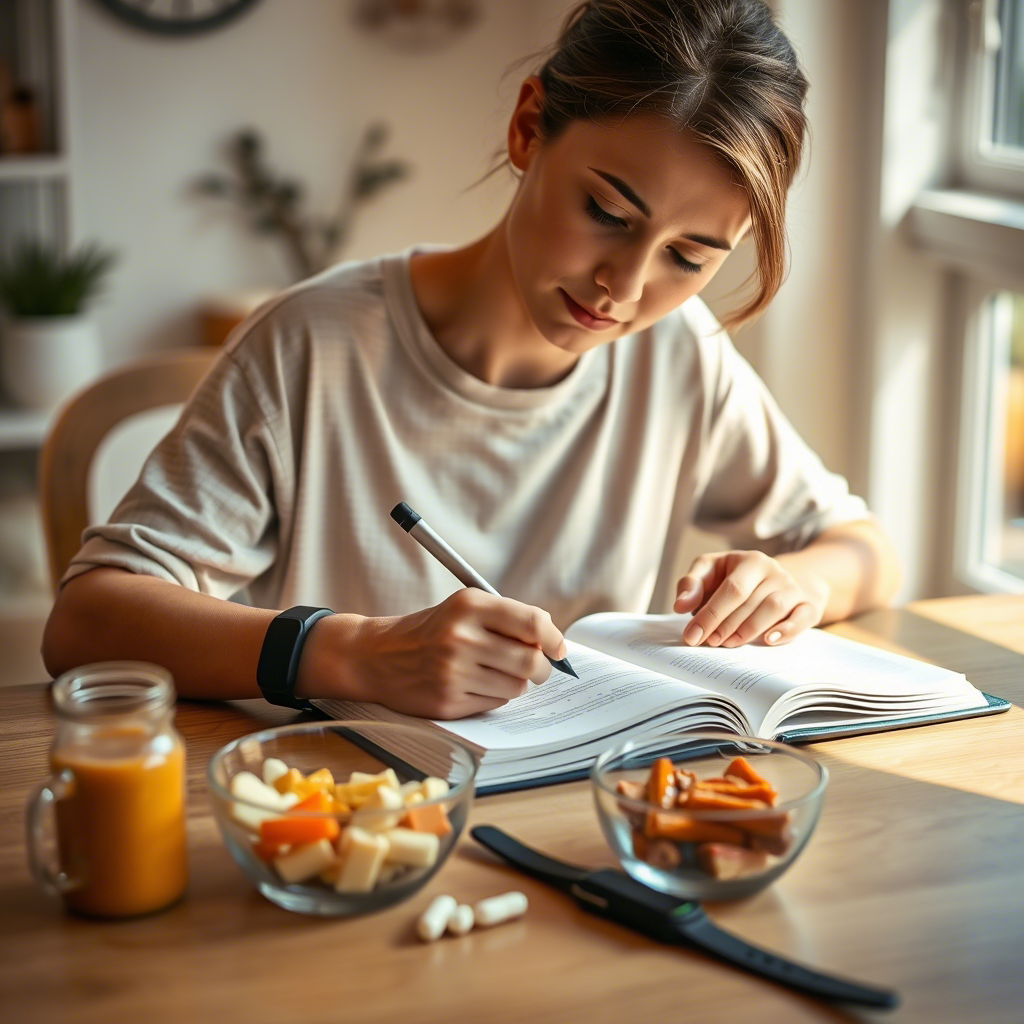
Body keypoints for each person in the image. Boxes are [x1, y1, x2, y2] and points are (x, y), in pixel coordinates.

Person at [43, 0, 899, 719]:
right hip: (355, 828)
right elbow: (87, 621)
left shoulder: (680, 358)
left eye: (690, 257)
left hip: (577, 820)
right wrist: (353, 653)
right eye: (607, 210)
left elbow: (863, 549)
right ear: (529, 128)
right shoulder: (313, 344)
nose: (624, 285)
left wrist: (795, 584)